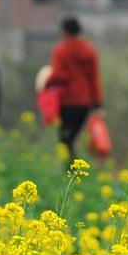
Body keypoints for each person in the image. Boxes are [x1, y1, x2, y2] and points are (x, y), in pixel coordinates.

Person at [46, 16, 102, 163]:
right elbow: (94, 78)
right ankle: (73, 169)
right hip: (85, 103)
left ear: (64, 31)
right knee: (71, 139)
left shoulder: (61, 50)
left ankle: (71, 170)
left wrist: (46, 83)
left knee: (65, 140)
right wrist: (97, 103)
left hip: (67, 102)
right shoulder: (90, 50)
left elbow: (58, 75)